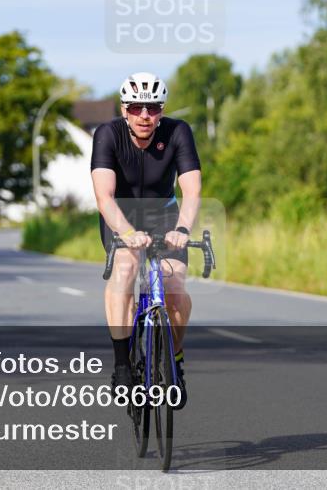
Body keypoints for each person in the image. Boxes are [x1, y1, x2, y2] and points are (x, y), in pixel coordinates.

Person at [90, 72, 201, 410]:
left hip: (163, 215)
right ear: (125, 109)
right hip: (120, 216)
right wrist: (126, 234)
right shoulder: (107, 135)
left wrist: (182, 229)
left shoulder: (177, 132)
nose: (144, 116)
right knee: (125, 270)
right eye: (136, 108)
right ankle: (123, 365)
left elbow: (192, 190)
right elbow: (104, 197)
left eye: (152, 109)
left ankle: (175, 358)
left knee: (174, 287)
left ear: (161, 110)